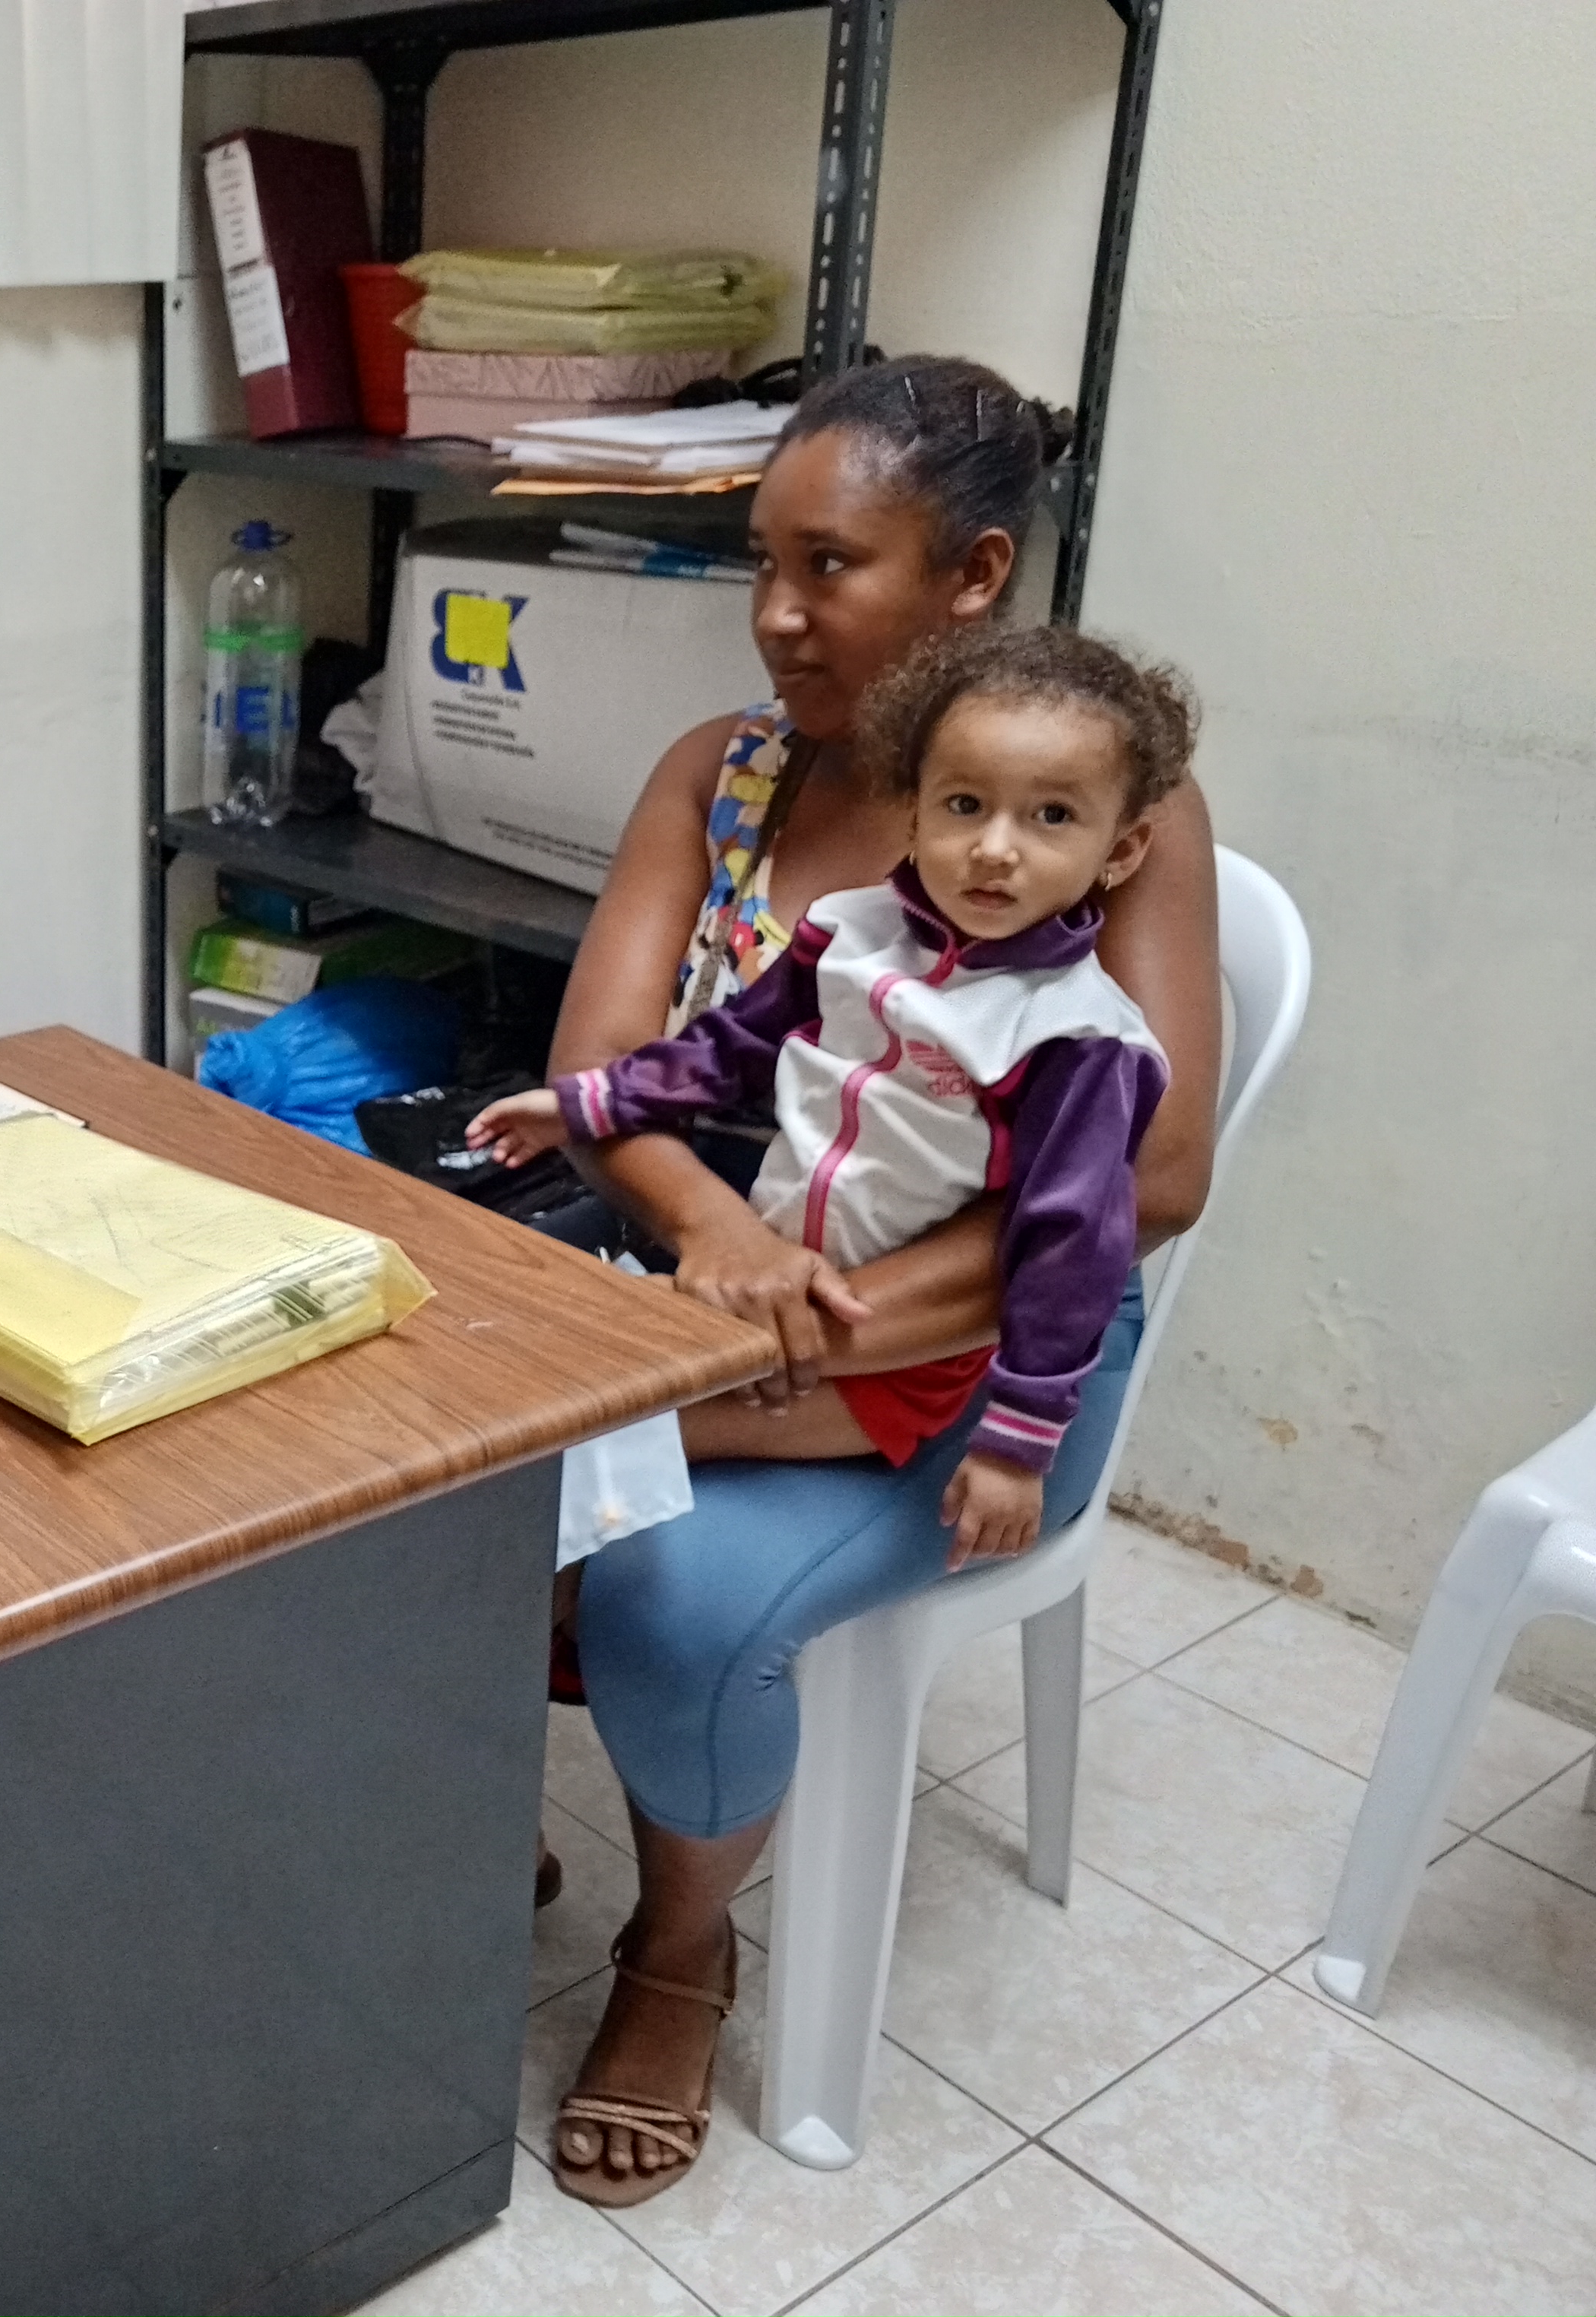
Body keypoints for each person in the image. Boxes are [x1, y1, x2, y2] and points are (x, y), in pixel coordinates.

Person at [462, 354, 1223, 2210]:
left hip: (1002, 1344)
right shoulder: (717, 774)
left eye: (829, 565)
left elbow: (1152, 1174)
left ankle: (679, 1950)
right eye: (762, 564)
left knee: (665, 1582)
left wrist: (811, 1323)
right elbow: (614, 1064)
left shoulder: (1095, 815)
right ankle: (469, 1809)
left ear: (971, 576)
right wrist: (722, 1248)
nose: (777, 614)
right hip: (732, 1266)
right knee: (422, 1451)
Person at [479, 622, 1194, 1563]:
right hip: (766, 1283)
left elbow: (1071, 1244)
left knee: (567, 1448)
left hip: (896, 1362)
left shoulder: (1080, 1039)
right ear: (912, 814)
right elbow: (730, 1046)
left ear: (1122, 849)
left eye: (1050, 817)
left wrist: (1016, 1446)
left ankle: (524, 1626)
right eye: (964, 805)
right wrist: (589, 1104)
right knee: (516, 1404)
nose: (994, 849)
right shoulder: (849, 934)